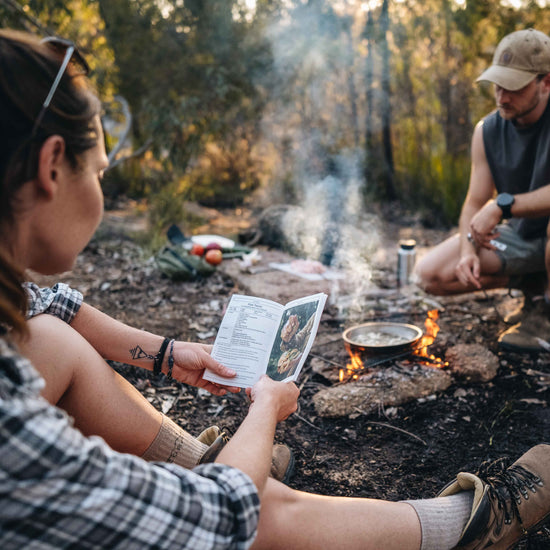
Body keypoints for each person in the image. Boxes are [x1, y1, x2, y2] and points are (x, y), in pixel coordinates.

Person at [1, 28, 550, 550]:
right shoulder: (14, 434)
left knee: (47, 336)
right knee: (259, 514)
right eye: (98, 171)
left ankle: (201, 458)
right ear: (52, 166)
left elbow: (48, 304)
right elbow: (220, 518)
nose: (101, 186)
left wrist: (169, 355)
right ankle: (468, 526)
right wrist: (263, 411)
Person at [414, 28, 550, 353]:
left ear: (546, 82)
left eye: (514, 87)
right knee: (429, 275)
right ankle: (535, 287)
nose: (502, 96)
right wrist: (467, 252)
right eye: (498, 85)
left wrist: (502, 206)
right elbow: (475, 201)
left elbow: (493, 205)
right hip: (522, 237)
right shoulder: (487, 131)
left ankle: (546, 313)